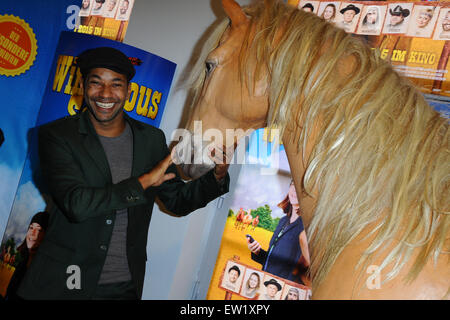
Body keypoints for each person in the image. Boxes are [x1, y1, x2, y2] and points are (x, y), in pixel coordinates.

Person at [16, 47, 230, 300]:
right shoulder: (58, 135)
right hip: (63, 283)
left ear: (128, 90)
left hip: (122, 286)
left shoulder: (150, 140)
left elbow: (178, 200)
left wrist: (216, 175)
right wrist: (144, 182)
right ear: (82, 86)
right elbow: (77, 204)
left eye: (116, 85)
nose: (105, 94)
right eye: (96, 83)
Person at [247, 181, 310, 284]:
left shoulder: (306, 227)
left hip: (281, 289)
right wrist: (257, 251)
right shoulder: (283, 221)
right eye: (293, 185)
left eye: (300, 187)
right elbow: (275, 260)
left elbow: (297, 268)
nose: (295, 190)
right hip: (265, 283)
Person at [5, 212, 49, 300]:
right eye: (31, 227)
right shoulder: (21, 259)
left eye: (39, 230)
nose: (32, 233)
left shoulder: (46, 269)